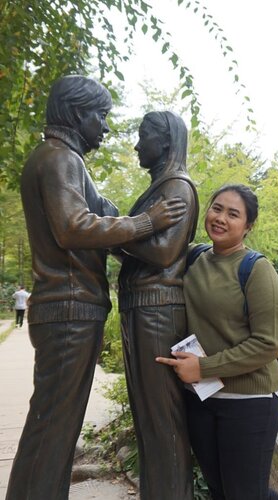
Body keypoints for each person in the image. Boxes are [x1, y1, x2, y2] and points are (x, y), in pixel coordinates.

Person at [6, 75, 185, 500]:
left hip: (71, 308)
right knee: (52, 428)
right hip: (69, 309)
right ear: (76, 113)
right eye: (100, 117)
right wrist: (146, 222)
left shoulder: (63, 160)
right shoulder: (58, 158)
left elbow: (100, 212)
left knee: (56, 427)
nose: (105, 129)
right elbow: (74, 227)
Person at [156, 184, 278, 500]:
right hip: (202, 400)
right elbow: (153, 251)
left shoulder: (256, 269)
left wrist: (203, 367)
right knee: (221, 492)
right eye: (217, 208)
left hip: (248, 403)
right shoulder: (194, 257)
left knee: (244, 494)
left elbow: (269, 343)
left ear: (247, 226)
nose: (221, 218)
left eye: (233, 214)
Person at [115, 111, 198, 499]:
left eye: (142, 136)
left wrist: (115, 234)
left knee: (162, 418)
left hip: (157, 312)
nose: (136, 145)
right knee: (147, 418)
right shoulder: (158, 189)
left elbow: (164, 253)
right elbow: (143, 244)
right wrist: (129, 229)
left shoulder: (177, 188)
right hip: (141, 309)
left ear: (164, 142)